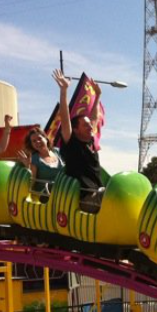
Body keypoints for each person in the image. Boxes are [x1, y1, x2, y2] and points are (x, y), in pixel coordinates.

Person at [55, 70, 105, 213]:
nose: (91, 126)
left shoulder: (90, 142)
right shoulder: (72, 143)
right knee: (114, 197)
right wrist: (64, 90)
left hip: (99, 193)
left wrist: (98, 95)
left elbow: (94, 117)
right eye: (85, 125)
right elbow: (65, 117)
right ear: (75, 129)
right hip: (86, 199)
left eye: (90, 125)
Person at [17, 124, 63, 197]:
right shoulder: (34, 158)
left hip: (63, 194)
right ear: (31, 145)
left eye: (39, 138)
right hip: (44, 197)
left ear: (45, 138)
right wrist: (28, 167)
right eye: (34, 141)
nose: (37, 142)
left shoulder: (57, 151)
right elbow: (32, 182)